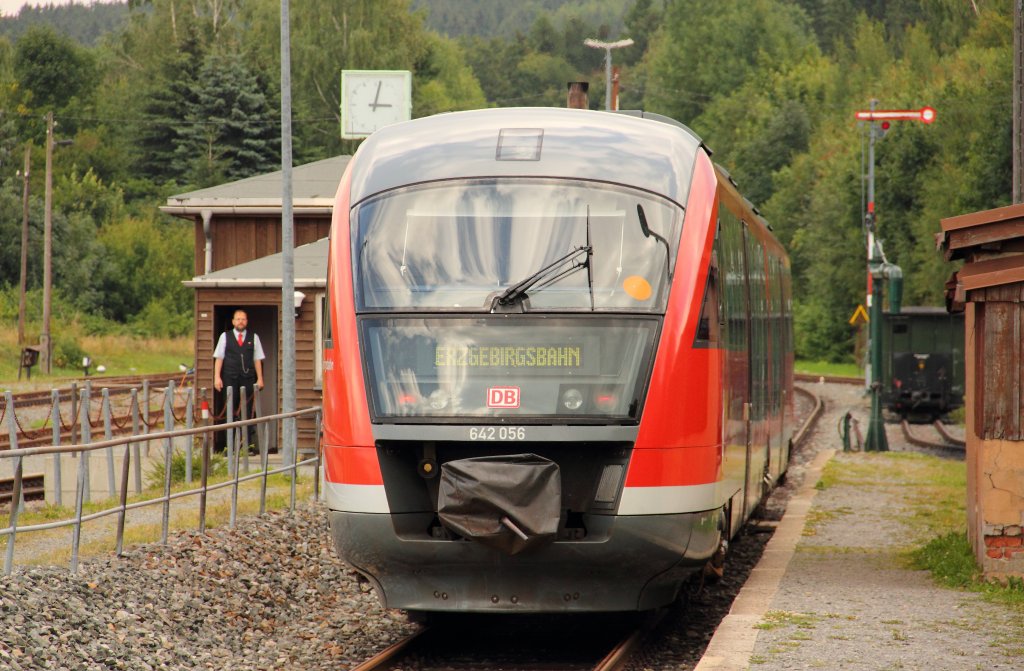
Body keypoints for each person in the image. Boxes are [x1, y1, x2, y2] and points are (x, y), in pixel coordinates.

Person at [213, 309, 265, 423]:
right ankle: (230, 439)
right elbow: (219, 358)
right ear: (233, 321)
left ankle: (247, 439)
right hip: (229, 378)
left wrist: (260, 378)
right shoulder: (225, 336)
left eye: (243, 319)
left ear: (246, 321)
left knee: (247, 409)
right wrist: (217, 377)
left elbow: (257, 359)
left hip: (248, 378)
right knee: (229, 408)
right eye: (238, 319)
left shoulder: (254, 337)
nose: (240, 321)